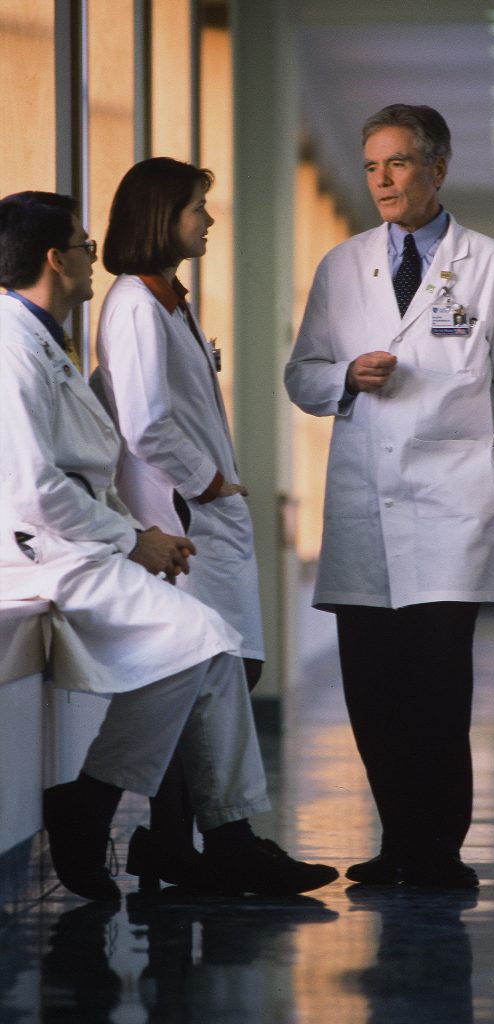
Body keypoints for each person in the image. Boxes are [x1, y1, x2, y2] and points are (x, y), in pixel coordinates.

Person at [0, 191, 338, 901]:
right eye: (84, 245)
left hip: (80, 541)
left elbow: (92, 466)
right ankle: (92, 804)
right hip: (39, 550)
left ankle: (229, 838)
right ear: (56, 258)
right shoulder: (11, 347)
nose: (95, 257)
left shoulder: (45, 341)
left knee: (211, 653)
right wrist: (135, 539)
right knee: (203, 637)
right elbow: (33, 487)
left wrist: (142, 536)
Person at [285, 104, 494, 889]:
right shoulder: (342, 264)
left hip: (450, 508)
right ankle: (397, 839)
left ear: (436, 166)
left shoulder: (491, 265)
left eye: (396, 164)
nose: (382, 182)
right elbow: (302, 374)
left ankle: (438, 848)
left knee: (436, 689)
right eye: (370, 167)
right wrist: (342, 380)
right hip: (365, 504)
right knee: (372, 690)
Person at [93, 157, 266, 889]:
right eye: (199, 206)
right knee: (210, 672)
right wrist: (211, 481)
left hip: (204, 514)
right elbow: (145, 421)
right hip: (181, 516)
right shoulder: (134, 302)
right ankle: (190, 843)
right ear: (163, 215)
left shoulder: (170, 299)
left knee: (220, 673)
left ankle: (175, 843)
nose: (209, 219)